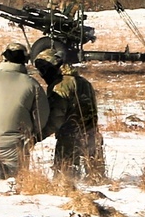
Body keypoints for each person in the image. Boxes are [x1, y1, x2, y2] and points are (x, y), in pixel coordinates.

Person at [0, 43, 49, 181]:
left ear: (4, 57)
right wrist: (32, 133)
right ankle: (3, 170)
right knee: (16, 175)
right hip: (15, 143)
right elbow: (41, 116)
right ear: (25, 60)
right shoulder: (32, 84)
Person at [34, 48, 105, 179]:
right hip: (92, 137)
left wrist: (36, 136)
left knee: (63, 180)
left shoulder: (61, 85)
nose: (41, 74)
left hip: (69, 141)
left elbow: (56, 118)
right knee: (97, 180)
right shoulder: (84, 82)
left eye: (44, 68)